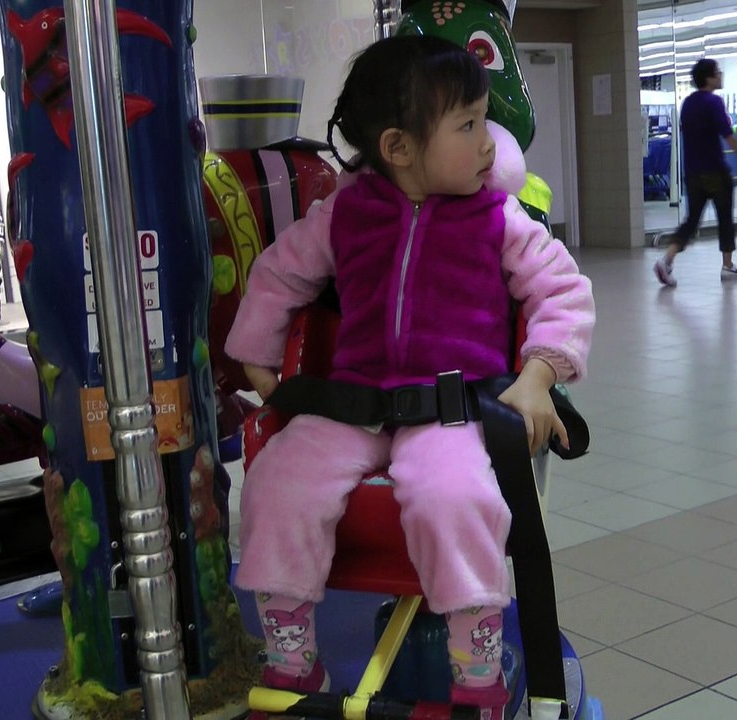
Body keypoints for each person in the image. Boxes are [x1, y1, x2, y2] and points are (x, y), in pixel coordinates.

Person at [224, 35, 594, 718]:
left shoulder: (496, 217)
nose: (491, 144)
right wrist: (258, 351)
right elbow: (278, 271)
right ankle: (292, 661)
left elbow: (561, 290)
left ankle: (475, 669)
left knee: (454, 496)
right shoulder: (346, 213)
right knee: (278, 482)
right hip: (351, 404)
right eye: (470, 125)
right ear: (398, 148)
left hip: (449, 406)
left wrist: (541, 374)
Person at [654, 58, 737, 287]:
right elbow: (727, 135)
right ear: (708, 77)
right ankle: (728, 266)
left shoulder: (687, 103)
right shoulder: (714, 102)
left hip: (693, 172)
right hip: (715, 171)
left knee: (692, 220)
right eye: (717, 72)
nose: (721, 75)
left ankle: (667, 259)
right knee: (725, 218)